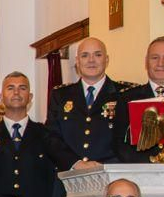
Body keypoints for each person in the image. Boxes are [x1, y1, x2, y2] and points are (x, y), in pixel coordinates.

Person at [45, 37, 124, 165]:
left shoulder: (124, 94)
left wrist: (105, 167)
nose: (91, 60)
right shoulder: (60, 95)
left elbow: (128, 141)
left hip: (111, 177)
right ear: (77, 61)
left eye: (97, 55)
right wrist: (75, 163)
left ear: (107, 60)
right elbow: (51, 138)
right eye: (85, 55)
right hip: (69, 177)